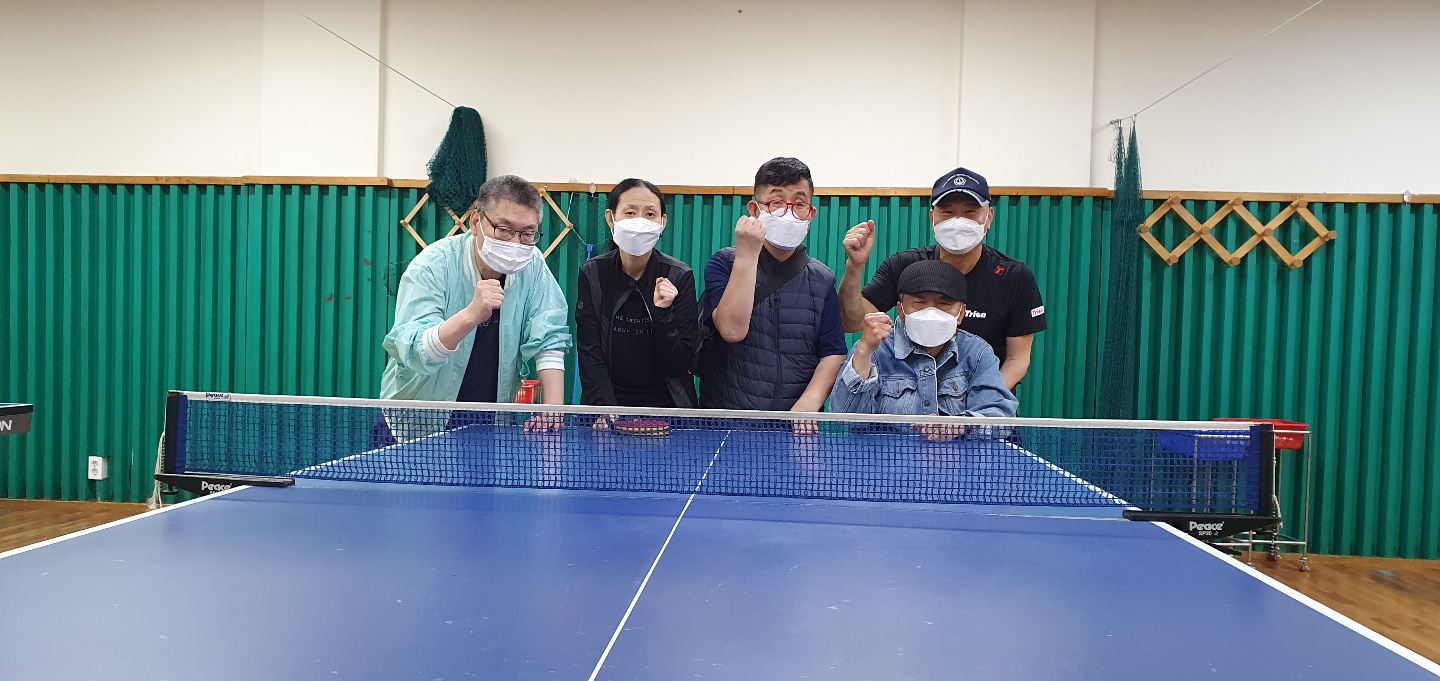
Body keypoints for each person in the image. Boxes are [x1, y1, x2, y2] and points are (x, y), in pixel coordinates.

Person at [380, 175, 571, 431]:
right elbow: (415, 351)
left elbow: (549, 338)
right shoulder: (432, 266)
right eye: (504, 230)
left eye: (527, 233)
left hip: (488, 423)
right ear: (475, 222)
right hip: (416, 423)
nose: (515, 242)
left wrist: (553, 412)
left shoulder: (533, 265)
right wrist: (470, 316)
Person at [838, 167, 1045, 391]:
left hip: (981, 403)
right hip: (906, 401)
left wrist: (980, 401)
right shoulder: (904, 266)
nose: (958, 221)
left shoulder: (1014, 277)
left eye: (970, 211)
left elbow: (1017, 359)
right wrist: (854, 266)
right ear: (932, 218)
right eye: (947, 212)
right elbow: (851, 322)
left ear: (989, 218)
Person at [697, 157, 847, 418]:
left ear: (810, 213)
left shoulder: (822, 279)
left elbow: (833, 352)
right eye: (777, 202)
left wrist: (809, 403)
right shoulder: (724, 263)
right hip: (726, 421)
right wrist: (746, 256)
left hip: (794, 426)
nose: (788, 212)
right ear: (755, 210)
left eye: (799, 204)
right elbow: (731, 330)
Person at [830, 259, 1017, 439]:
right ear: (901, 310)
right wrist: (864, 352)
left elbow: (1001, 415)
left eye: (944, 304)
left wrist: (961, 425)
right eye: (919, 303)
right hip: (884, 458)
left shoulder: (976, 352)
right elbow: (845, 417)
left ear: (961, 313)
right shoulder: (876, 349)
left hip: (954, 457)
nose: (931, 312)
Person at [576, 178, 702, 410]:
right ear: (611, 218)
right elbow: (590, 353)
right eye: (630, 213)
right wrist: (605, 410)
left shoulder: (679, 275)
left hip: (669, 411)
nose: (640, 221)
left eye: (650, 214)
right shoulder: (592, 273)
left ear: (662, 223)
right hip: (608, 410)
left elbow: (681, 364)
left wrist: (663, 315)